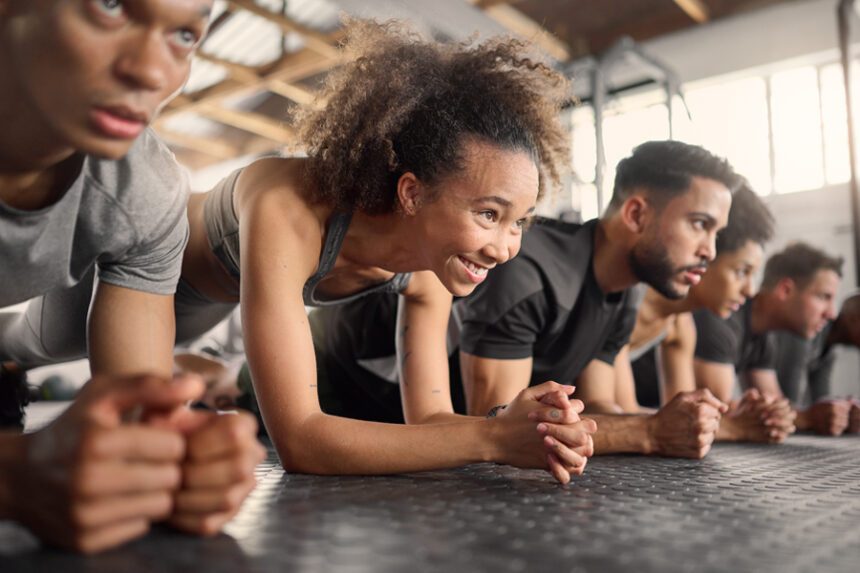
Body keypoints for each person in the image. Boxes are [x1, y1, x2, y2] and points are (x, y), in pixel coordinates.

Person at [173, 20, 595, 484]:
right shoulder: (288, 209)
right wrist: (493, 440)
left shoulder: (431, 269)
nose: (506, 249)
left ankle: (206, 373)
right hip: (135, 274)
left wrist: (520, 427)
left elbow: (430, 420)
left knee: (195, 382)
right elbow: (299, 440)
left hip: (212, 307)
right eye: (489, 215)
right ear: (412, 193)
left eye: (520, 222)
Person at [0, 0, 263, 553]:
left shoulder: (146, 192)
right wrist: (12, 477)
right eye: (111, 6)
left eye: (184, 34)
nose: (151, 71)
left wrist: (175, 467)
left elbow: (139, 419)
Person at [455, 140, 738, 459]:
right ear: (636, 214)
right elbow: (499, 429)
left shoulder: (627, 290)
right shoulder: (528, 272)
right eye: (700, 224)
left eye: (716, 234)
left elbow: (598, 404)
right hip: (411, 456)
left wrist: (682, 421)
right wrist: (650, 431)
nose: (710, 251)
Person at [619, 184, 795, 443]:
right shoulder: (626, 306)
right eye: (741, 271)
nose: (750, 290)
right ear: (704, 258)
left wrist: (752, 415)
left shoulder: (681, 325)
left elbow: (684, 418)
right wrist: (737, 428)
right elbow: (619, 414)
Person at [693, 242, 843, 436]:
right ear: (785, 290)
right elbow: (723, 415)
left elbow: (776, 408)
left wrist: (819, 416)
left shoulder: (765, 338)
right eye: (824, 297)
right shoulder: (721, 318)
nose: (832, 314)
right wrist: (808, 418)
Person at [773, 292, 860, 435]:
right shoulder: (804, 334)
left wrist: (844, 412)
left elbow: (820, 403)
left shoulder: (830, 352)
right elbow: (788, 405)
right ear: (854, 319)